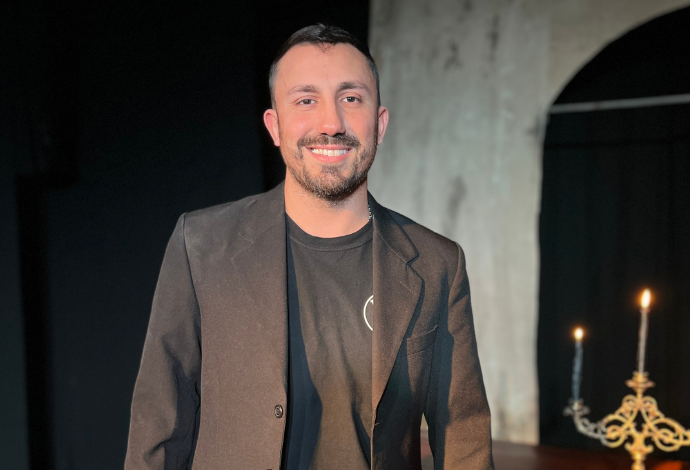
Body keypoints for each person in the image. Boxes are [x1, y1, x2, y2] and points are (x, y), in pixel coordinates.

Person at [124, 24, 493, 470]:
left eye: (351, 98)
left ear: (379, 123)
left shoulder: (437, 264)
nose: (331, 123)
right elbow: (158, 427)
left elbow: (465, 438)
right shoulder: (200, 245)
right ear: (274, 126)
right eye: (305, 100)